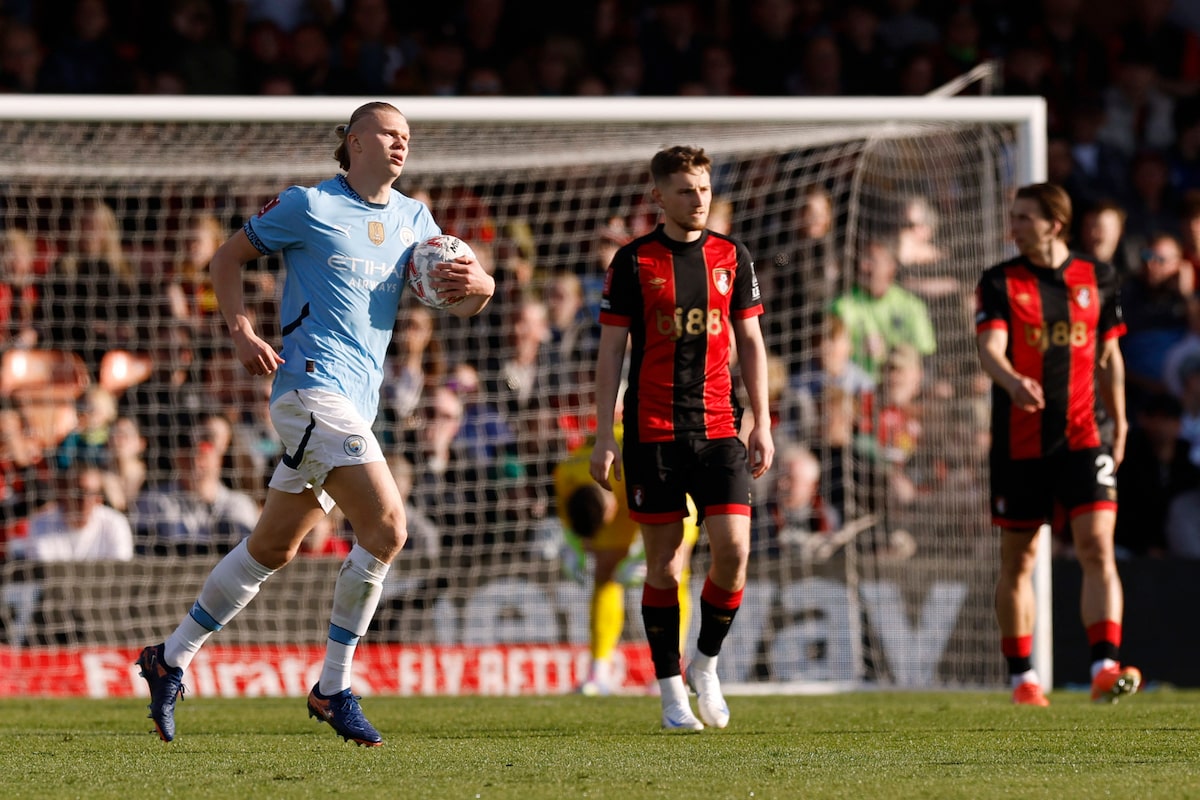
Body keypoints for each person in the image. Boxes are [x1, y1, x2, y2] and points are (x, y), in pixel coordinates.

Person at [135, 101, 495, 746]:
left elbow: (461, 305)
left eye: (407, 137)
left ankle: (170, 656)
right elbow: (225, 259)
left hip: (360, 403)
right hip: (308, 391)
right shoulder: (309, 205)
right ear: (354, 141)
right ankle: (333, 686)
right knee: (388, 527)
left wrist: (483, 282)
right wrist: (241, 329)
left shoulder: (416, 219)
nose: (400, 144)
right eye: (388, 133)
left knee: (273, 547)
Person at [589, 145, 774, 731]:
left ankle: (707, 665)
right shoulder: (633, 262)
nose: (699, 200)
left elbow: (751, 343)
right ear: (659, 197)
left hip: (720, 427)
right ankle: (671, 694)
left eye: (704, 189)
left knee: (734, 552)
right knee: (666, 569)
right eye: (686, 191)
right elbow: (611, 352)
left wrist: (762, 420)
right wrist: (603, 434)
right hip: (652, 432)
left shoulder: (732, 256)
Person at [975, 182, 1140, 707]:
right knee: (1019, 561)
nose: (1014, 226)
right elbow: (989, 348)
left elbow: (1111, 358)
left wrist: (1122, 421)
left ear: (1054, 224)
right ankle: (1022, 677)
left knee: (1096, 547)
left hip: (1086, 435)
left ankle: (1103, 667)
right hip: (1020, 442)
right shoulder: (1000, 281)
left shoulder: (1099, 277)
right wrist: (1011, 380)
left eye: (1025, 218)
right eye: (1014, 216)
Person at [555, 426, 699, 696]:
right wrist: (572, 547)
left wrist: (645, 555)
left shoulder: (639, 461)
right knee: (605, 572)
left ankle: (670, 669)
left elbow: (680, 514)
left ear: (610, 509)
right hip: (622, 487)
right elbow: (571, 523)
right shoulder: (565, 474)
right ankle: (598, 672)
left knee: (671, 570)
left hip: (670, 488)